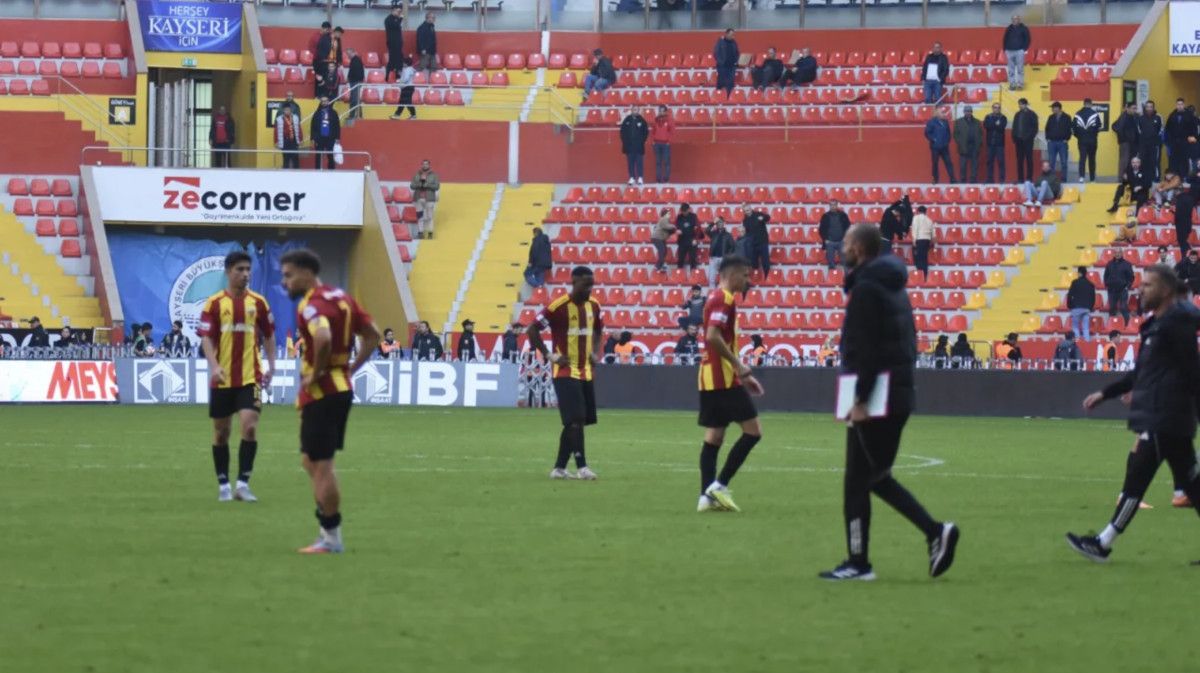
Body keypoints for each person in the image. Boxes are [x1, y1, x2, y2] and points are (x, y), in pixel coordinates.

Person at [820, 224, 959, 581]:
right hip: (896, 392)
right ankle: (919, 538)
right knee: (869, 477)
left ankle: (871, 558)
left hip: (875, 396)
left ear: (858, 249)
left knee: (864, 479)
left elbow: (866, 350)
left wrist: (860, 399)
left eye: (846, 243)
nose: (842, 249)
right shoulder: (891, 286)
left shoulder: (867, 289)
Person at [1067, 265, 1200, 562]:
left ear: (1165, 291)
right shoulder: (1156, 326)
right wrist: (1105, 394)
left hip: (1166, 417)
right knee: (1191, 485)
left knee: (1137, 481)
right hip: (1165, 417)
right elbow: (1140, 373)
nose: (1140, 289)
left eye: (1148, 285)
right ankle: (1102, 543)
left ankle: (1102, 543)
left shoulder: (1175, 327)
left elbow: (1193, 374)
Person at [282, 248, 380, 554]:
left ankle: (330, 536)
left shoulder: (311, 304)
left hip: (322, 392)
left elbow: (322, 337)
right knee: (311, 461)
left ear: (306, 273)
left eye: (288, 275)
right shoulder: (343, 298)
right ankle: (328, 529)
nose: (285, 282)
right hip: (340, 388)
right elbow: (373, 335)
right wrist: (350, 368)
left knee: (322, 466)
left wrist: (317, 373)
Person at [196, 251, 276, 504]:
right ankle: (223, 484)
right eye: (240, 269)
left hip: (251, 378)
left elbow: (269, 335)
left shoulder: (259, 302)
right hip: (222, 379)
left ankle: (242, 484)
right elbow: (206, 338)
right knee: (221, 433)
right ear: (228, 272)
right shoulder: (214, 303)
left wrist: (272, 366)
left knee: (249, 426)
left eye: (248, 269)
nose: (245, 274)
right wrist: (214, 366)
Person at [696, 254, 764, 513]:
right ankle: (719, 485)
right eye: (745, 275)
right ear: (732, 274)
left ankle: (705, 498)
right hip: (723, 378)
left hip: (711, 377)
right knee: (753, 432)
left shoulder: (716, 297)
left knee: (715, 436)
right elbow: (713, 336)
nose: (747, 281)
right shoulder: (724, 299)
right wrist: (739, 366)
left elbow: (716, 337)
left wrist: (742, 374)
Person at [526, 266, 603, 480]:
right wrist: (550, 356)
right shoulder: (557, 307)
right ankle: (582, 467)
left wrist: (595, 352)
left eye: (591, 285)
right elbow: (532, 329)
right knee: (576, 419)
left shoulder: (594, 305)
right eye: (585, 285)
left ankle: (559, 468)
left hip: (586, 371)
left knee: (576, 422)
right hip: (565, 371)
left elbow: (598, 329)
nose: (589, 289)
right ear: (574, 282)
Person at [1165, 98, 1198, 180]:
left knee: (1184, 161)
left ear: (1184, 105)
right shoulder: (1172, 115)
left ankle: (1184, 177)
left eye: (1181, 104)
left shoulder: (1189, 115)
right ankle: (1175, 178)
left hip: (1185, 142)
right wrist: (1169, 141)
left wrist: (1193, 137)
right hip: (1174, 143)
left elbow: (1194, 129)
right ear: (1176, 105)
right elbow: (1167, 129)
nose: (1179, 106)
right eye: (1178, 104)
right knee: (1174, 161)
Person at [1104, 248, 1134, 326]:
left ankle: (1127, 325)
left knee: (1123, 308)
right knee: (1112, 308)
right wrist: (1107, 284)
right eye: (1116, 252)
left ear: (1122, 253)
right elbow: (1106, 275)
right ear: (1113, 254)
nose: (1117, 254)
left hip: (1123, 290)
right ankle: (1112, 326)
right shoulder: (1109, 264)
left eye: (1119, 252)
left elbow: (1131, 277)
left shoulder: (1127, 264)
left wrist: (1127, 286)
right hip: (1111, 290)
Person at [619, 106, 649, 186]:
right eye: (633, 110)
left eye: (636, 110)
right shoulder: (627, 120)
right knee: (630, 163)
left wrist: (642, 141)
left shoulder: (642, 120)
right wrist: (625, 142)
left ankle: (640, 178)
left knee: (639, 162)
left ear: (638, 111)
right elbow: (622, 132)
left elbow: (646, 132)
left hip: (639, 146)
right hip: (629, 146)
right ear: (631, 110)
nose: (634, 111)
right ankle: (632, 177)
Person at [411, 159, 440, 239]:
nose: (425, 165)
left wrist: (427, 185)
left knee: (430, 217)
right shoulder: (417, 174)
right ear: (422, 165)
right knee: (420, 217)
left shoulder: (434, 175)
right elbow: (412, 185)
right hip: (418, 199)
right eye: (423, 164)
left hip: (429, 199)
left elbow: (437, 186)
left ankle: (430, 233)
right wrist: (419, 184)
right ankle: (420, 233)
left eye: (426, 164)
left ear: (429, 165)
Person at [1074, 98, 1101, 183]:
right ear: (1091, 104)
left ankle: (1081, 177)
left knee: (1082, 158)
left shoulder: (1077, 114)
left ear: (1084, 103)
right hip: (1092, 140)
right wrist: (1094, 135)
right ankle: (1092, 178)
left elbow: (1074, 128)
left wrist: (1079, 137)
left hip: (1082, 141)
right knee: (1092, 159)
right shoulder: (1095, 114)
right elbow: (1098, 126)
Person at [1012, 98, 1039, 184]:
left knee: (1029, 159)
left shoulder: (1032, 114)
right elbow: (1014, 126)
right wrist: (1014, 137)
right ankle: (1020, 179)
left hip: (1028, 141)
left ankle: (1029, 178)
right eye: (1019, 104)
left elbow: (1035, 128)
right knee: (1019, 160)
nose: (1020, 106)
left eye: (1021, 104)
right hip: (1019, 141)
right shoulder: (1017, 114)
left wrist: (1029, 137)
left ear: (1026, 104)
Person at [953, 105, 982, 184]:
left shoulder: (977, 122)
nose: (968, 113)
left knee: (974, 165)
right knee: (963, 165)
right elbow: (955, 134)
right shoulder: (958, 122)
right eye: (966, 111)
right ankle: (963, 180)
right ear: (964, 112)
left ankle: (973, 180)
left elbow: (980, 134)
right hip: (963, 147)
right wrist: (960, 142)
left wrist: (979, 143)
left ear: (972, 112)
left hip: (974, 146)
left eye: (969, 111)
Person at [924, 108, 954, 185]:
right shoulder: (931, 122)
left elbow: (948, 133)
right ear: (937, 114)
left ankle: (952, 179)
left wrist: (947, 141)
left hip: (944, 147)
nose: (944, 114)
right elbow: (927, 133)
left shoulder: (945, 122)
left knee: (949, 163)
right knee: (935, 164)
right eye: (942, 112)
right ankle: (935, 180)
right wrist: (934, 139)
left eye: (944, 112)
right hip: (935, 147)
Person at [818, 199, 850, 270]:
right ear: (829, 206)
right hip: (830, 242)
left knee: (845, 263)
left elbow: (848, 227)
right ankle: (832, 274)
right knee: (831, 264)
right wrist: (825, 240)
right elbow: (821, 230)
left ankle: (843, 275)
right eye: (831, 205)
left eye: (834, 205)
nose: (833, 206)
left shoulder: (843, 215)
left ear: (837, 205)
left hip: (841, 241)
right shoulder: (825, 216)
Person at [1066, 265, 1096, 341]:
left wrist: (1069, 305)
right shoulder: (1090, 284)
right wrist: (1090, 307)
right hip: (1086, 308)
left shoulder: (1075, 282)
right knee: (1085, 328)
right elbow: (1093, 298)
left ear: (1079, 273)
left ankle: (1077, 342)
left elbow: (1070, 295)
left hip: (1076, 308)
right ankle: (1087, 343)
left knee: (1075, 327)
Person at [310, 96, 340, 170]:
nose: (324, 102)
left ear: (328, 102)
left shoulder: (334, 113)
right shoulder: (317, 113)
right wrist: (312, 138)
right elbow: (313, 126)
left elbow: (337, 126)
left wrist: (337, 138)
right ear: (321, 102)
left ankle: (331, 171)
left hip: (330, 138)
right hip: (319, 138)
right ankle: (317, 171)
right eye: (322, 101)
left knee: (330, 156)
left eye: (326, 101)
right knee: (318, 157)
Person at [1002, 14, 1030, 90]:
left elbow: (1028, 39)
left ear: (1019, 20)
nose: (1015, 20)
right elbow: (1005, 39)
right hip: (1009, 51)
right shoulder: (1009, 28)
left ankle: (1020, 84)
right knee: (1011, 70)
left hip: (1019, 51)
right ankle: (1012, 85)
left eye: (1016, 19)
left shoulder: (1024, 28)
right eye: (1013, 19)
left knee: (1020, 69)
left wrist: (1024, 49)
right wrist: (1005, 49)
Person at [1137, 101, 1164, 180]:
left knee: (1155, 161)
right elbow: (1139, 130)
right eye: (1147, 107)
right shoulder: (1140, 118)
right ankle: (1141, 177)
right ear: (1145, 108)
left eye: (1151, 107)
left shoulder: (1158, 117)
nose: (1149, 108)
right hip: (1143, 144)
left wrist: (1155, 138)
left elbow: (1161, 130)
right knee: (1142, 161)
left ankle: (1156, 178)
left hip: (1155, 144)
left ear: (1153, 108)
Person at [1044, 101, 1071, 179]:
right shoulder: (1051, 117)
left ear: (1058, 108)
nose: (1052, 109)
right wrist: (1048, 138)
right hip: (1051, 142)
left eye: (1053, 108)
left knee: (1064, 162)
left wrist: (1067, 138)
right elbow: (1047, 128)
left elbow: (1070, 129)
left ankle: (1064, 179)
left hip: (1062, 142)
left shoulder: (1067, 117)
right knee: (1051, 162)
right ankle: (1052, 179)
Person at [741, 204, 771, 276]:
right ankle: (756, 278)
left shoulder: (758, 214)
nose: (747, 212)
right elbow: (746, 233)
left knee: (765, 262)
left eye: (748, 210)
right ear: (744, 212)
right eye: (746, 211)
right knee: (754, 264)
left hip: (762, 242)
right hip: (752, 244)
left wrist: (763, 218)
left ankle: (767, 278)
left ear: (751, 209)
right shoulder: (745, 220)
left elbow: (768, 217)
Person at [1112, 101, 1140, 174]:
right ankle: (1121, 178)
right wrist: (1124, 137)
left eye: (1135, 108)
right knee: (1124, 161)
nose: (1135, 110)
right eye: (1133, 108)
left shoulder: (1135, 116)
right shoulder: (1123, 117)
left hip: (1133, 142)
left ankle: (1129, 177)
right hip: (1125, 142)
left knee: (1131, 160)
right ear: (1128, 108)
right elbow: (1115, 127)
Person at [274, 99, 303, 169]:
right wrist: (276, 141)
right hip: (285, 141)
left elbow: (299, 128)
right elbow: (276, 131)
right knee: (286, 159)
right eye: (286, 110)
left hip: (293, 141)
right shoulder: (279, 119)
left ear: (291, 110)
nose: (287, 111)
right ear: (283, 111)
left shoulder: (295, 118)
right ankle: (285, 173)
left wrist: (300, 139)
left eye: (288, 110)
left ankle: (297, 173)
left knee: (295, 158)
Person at [705, 217, 734, 285]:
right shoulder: (713, 233)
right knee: (711, 278)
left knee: (724, 278)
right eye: (718, 222)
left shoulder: (728, 235)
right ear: (716, 224)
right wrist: (713, 223)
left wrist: (727, 256)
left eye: (721, 222)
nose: (720, 224)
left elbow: (732, 247)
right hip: (713, 258)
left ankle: (722, 291)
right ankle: (712, 291)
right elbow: (706, 230)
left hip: (723, 258)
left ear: (724, 223)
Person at [1174, 175, 1199, 255]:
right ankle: (1188, 255)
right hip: (1188, 222)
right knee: (1184, 241)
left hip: (1181, 224)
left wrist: (1174, 213)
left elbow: (1178, 213)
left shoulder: (1179, 199)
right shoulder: (1190, 198)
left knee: (1182, 242)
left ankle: (1188, 256)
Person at [983, 102, 1008, 183]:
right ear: (992, 108)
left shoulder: (1003, 117)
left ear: (1000, 109)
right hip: (990, 143)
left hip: (1000, 144)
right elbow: (986, 126)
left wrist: (992, 125)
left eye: (998, 107)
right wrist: (996, 124)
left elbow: (1002, 127)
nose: (997, 109)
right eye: (995, 107)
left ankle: (1002, 180)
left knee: (1001, 162)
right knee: (990, 162)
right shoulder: (988, 116)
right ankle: (990, 179)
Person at [676, 203, 702, 270]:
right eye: (682, 211)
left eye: (685, 211)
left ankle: (693, 274)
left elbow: (698, 229)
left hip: (692, 240)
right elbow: (677, 227)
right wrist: (677, 231)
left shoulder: (693, 216)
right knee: (680, 259)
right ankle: (679, 274)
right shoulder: (679, 217)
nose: (684, 213)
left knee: (693, 259)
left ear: (688, 209)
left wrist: (695, 239)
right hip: (682, 241)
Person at [713, 29, 739, 96]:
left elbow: (737, 52)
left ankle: (729, 97)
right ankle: (719, 96)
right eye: (731, 34)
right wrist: (720, 62)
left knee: (730, 83)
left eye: (733, 35)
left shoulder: (734, 42)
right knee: (721, 82)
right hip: (722, 66)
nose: (732, 36)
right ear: (726, 34)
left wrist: (736, 61)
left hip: (732, 66)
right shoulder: (720, 42)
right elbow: (716, 53)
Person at [652, 105, 674, 183]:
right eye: (659, 110)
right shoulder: (656, 120)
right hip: (657, 143)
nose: (661, 112)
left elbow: (672, 132)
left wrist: (669, 141)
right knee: (658, 162)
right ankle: (658, 179)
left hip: (665, 144)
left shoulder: (669, 120)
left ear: (665, 111)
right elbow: (653, 131)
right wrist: (653, 141)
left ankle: (666, 178)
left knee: (666, 162)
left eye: (662, 111)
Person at [911, 205, 934, 280]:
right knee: (924, 258)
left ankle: (920, 275)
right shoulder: (929, 220)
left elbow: (915, 230)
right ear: (925, 212)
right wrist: (932, 242)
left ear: (918, 211)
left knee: (918, 258)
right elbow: (933, 233)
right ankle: (925, 276)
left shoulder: (916, 218)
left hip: (919, 240)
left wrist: (914, 241)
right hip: (927, 240)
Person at [651, 207, 676, 272]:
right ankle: (660, 265)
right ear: (665, 215)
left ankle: (659, 265)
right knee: (662, 250)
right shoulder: (663, 219)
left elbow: (668, 231)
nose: (670, 215)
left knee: (664, 251)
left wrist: (673, 230)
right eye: (668, 214)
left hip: (661, 238)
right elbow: (666, 226)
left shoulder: (666, 221)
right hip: (657, 238)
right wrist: (674, 226)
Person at [384, 6, 404, 82]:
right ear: (393, 10)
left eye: (400, 12)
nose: (399, 13)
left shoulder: (396, 19)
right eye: (398, 11)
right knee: (392, 60)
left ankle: (398, 76)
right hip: (392, 43)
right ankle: (387, 76)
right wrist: (400, 19)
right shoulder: (388, 19)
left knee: (399, 60)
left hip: (398, 43)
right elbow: (395, 26)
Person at [345, 49, 365, 125]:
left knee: (354, 99)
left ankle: (353, 115)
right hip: (355, 82)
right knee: (355, 99)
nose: (348, 55)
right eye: (347, 54)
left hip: (355, 82)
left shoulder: (356, 60)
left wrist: (349, 78)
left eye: (348, 53)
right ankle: (357, 115)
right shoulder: (355, 60)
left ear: (353, 52)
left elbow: (354, 72)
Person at [416, 12, 437, 76]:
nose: (434, 19)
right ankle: (416, 78)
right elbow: (420, 39)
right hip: (425, 50)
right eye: (433, 18)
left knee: (434, 67)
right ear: (428, 18)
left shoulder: (432, 26)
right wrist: (422, 49)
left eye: (434, 18)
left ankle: (432, 79)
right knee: (422, 66)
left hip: (432, 50)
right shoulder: (422, 27)